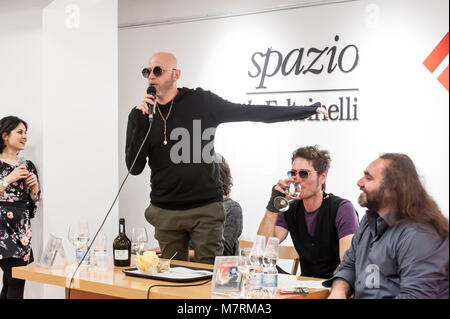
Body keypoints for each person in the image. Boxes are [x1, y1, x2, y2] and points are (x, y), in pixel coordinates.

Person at [126, 52, 328, 265]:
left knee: (208, 275)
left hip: (204, 209)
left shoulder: (201, 102)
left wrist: (307, 110)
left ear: (176, 74)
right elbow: (135, 167)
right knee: (171, 276)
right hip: (165, 211)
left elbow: (251, 112)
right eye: (147, 72)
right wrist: (141, 123)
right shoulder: (140, 116)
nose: (151, 76)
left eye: (158, 71)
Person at [325, 153, 449, 299]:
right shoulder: (367, 221)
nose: (359, 182)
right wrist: (339, 291)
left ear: (392, 187)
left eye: (368, 177)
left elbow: (416, 295)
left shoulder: (420, 233)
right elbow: (348, 265)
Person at [258, 145, 359, 278]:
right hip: (305, 286)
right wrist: (273, 205)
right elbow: (262, 249)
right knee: (260, 267)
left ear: (322, 177)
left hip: (335, 286)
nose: (297, 179)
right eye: (293, 173)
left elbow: (348, 264)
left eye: (304, 173)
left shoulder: (342, 208)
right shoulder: (290, 208)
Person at [0, 116, 40, 299]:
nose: (25, 137)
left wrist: (35, 189)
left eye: (26, 133)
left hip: (22, 232)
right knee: (16, 282)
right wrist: (8, 179)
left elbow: (32, 209)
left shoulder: (28, 165)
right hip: (2, 232)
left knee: (10, 282)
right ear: (5, 135)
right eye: (20, 132)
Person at [188, 154, 243, 261]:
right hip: (185, 269)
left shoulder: (232, 208)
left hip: (216, 273)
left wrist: (179, 254)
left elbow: (222, 255)